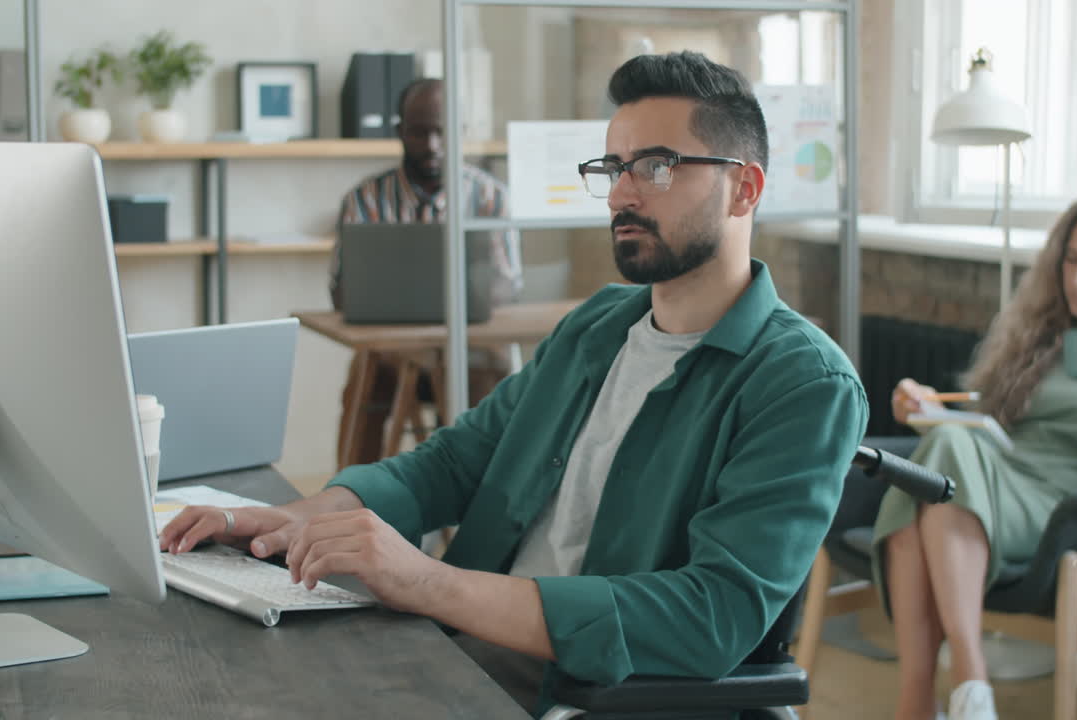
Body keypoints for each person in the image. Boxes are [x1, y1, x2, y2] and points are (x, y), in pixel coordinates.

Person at [162, 51, 867, 715]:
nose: (621, 192)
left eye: (655, 166)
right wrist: (295, 519)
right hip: (451, 644)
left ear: (744, 187)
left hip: (567, 688)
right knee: (208, 668)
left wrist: (426, 581)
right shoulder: (597, 325)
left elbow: (711, 616)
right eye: (614, 167)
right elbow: (451, 464)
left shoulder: (804, 383)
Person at [873, 191, 1077, 720]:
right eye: (1071, 260)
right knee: (933, 470)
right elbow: (990, 426)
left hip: (1075, 511)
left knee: (932, 481)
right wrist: (931, 409)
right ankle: (933, 697)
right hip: (998, 479)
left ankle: (961, 681)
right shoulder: (1045, 345)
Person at [330, 76, 521, 466]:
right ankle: (346, 502)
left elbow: (508, 283)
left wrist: (460, 298)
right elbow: (342, 293)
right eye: (419, 133)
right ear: (400, 131)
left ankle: (488, 502)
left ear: (460, 133)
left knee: (494, 371)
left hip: (471, 350)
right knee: (364, 379)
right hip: (390, 354)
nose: (432, 146)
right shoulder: (365, 199)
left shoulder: (489, 196)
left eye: (442, 132)